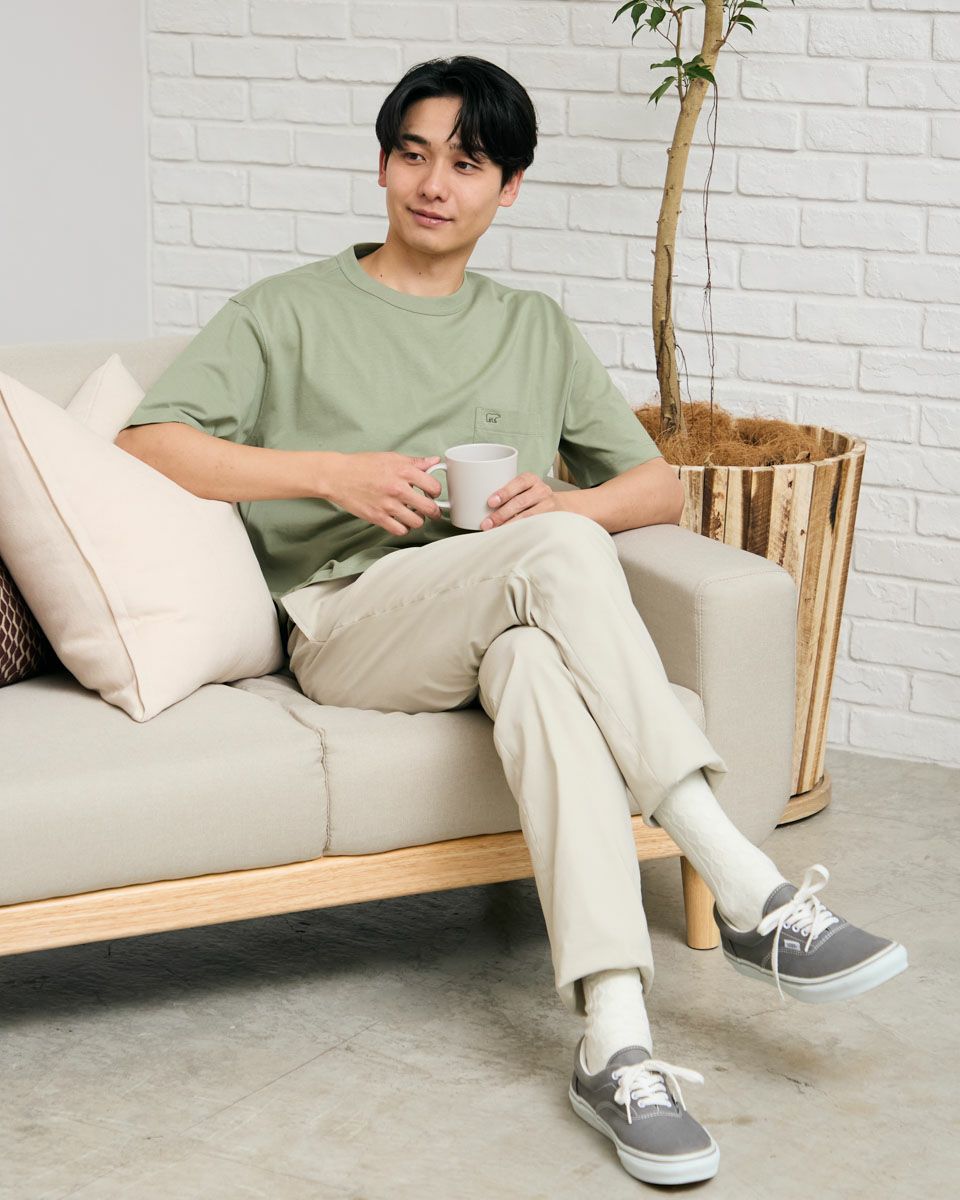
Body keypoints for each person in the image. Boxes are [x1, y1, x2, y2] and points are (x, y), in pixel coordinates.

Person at [116, 55, 907, 1188]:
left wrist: (564, 504)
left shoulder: (531, 326)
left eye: (467, 163)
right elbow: (150, 441)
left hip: (501, 614)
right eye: (413, 155)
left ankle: (616, 1043)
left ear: (510, 187)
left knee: (540, 659)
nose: (434, 184)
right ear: (382, 166)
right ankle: (745, 882)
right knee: (559, 559)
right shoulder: (285, 311)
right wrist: (331, 473)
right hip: (351, 623)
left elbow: (656, 486)